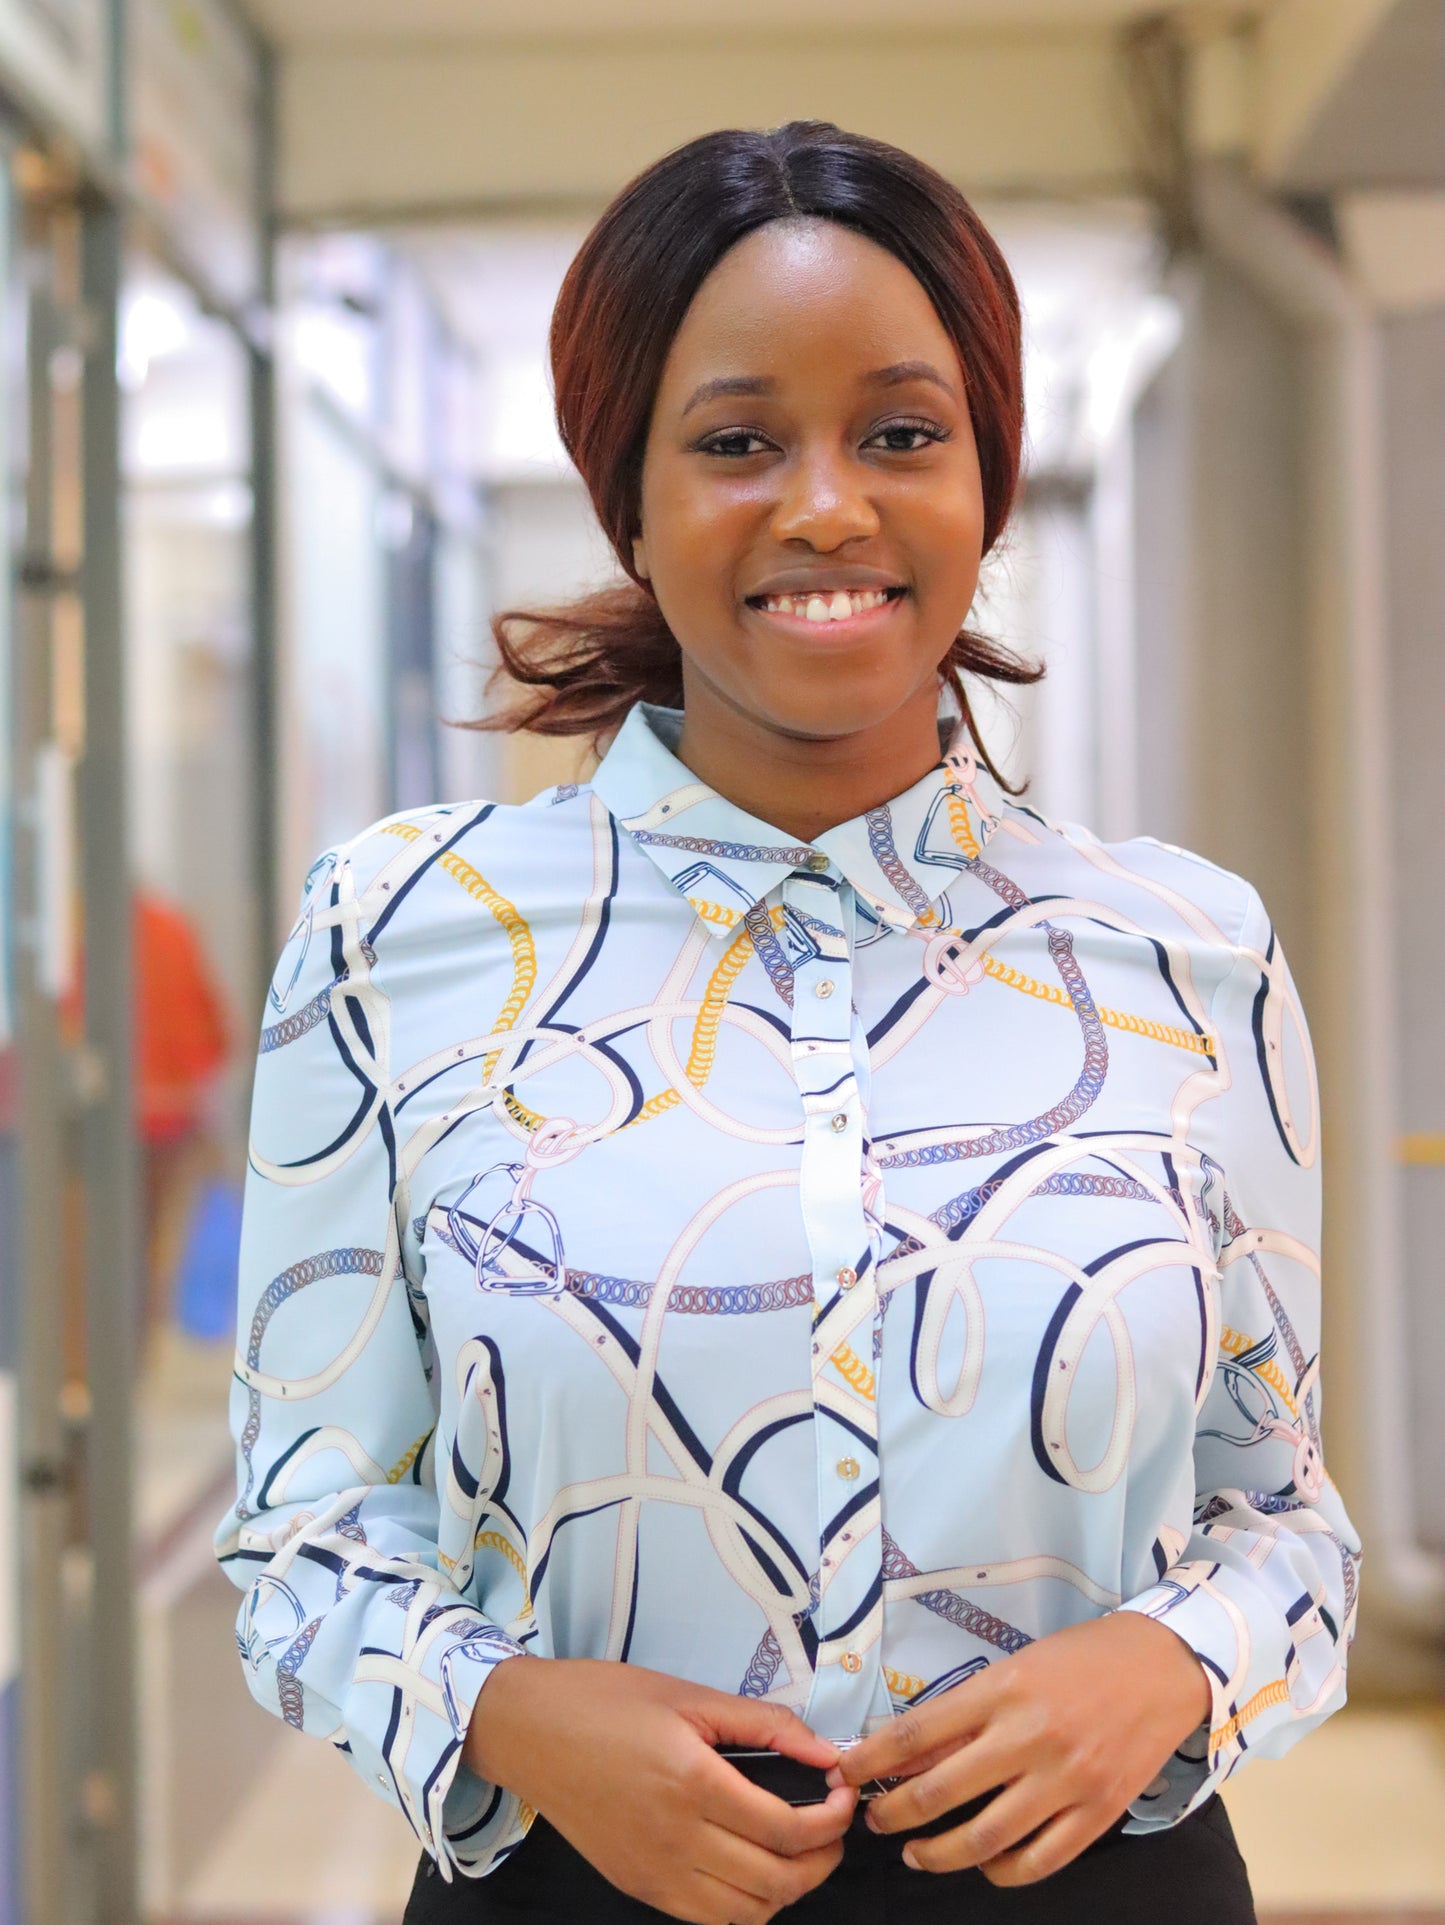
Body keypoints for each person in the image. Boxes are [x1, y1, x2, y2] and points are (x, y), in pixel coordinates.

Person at [215, 123, 1361, 1925]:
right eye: (737, 441)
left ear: (986, 475)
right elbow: (299, 1528)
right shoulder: (401, 937)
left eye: (901, 433)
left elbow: (1286, 1516)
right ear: (631, 496)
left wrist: (1168, 1660)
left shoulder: (1185, 949)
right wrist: (509, 1709)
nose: (827, 506)